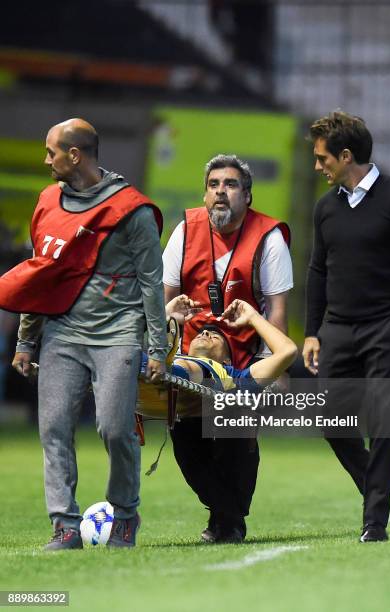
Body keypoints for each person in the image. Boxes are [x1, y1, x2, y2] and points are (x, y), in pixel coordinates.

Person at [0, 118, 167, 550]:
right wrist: (26, 338)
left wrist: (157, 348)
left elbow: (152, 282)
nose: (45, 159)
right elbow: (42, 272)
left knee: (114, 429)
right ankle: (65, 526)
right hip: (62, 333)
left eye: (50, 151)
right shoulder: (48, 201)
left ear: (75, 155)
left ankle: (126, 515)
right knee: (53, 429)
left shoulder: (133, 210)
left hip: (117, 334)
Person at [302, 111, 390, 542]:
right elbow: (317, 270)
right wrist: (312, 331)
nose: (317, 165)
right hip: (338, 330)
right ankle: (374, 485)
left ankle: (375, 521)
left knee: (382, 420)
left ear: (346, 156)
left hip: (389, 327)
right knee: (328, 417)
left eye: (322, 157)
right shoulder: (325, 208)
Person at [163, 154, 293, 542]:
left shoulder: (269, 238)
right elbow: (165, 304)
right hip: (190, 358)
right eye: (214, 184)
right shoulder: (184, 230)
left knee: (237, 434)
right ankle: (227, 513)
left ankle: (228, 522)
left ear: (248, 197)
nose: (221, 191)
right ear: (205, 195)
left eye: (231, 184)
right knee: (186, 442)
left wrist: (277, 372)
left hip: (244, 357)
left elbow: (278, 312)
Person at [164, 296, 297, 543]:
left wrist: (254, 317)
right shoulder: (177, 361)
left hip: (227, 429)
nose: (205, 334)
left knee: (241, 412)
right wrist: (166, 316)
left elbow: (288, 351)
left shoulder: (235, 378)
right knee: (181, 371)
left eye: (215, 337)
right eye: (201, 333)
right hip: (179, 401)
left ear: (226, 360)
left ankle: (227, 518)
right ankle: (228, 517)